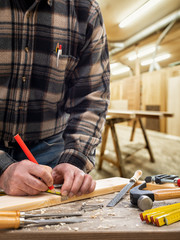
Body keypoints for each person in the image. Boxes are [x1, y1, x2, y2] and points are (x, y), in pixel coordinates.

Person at [0, 0, 110, 197]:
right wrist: (2, 167)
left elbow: (92, 97)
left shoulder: (83, 10)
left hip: (49, 151)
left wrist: (74, 158)